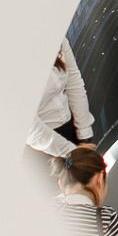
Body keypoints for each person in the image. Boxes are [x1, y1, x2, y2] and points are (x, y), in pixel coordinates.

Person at [29, 39, 94, 173]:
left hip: (71, 130)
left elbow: (74, 82)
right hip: (40, 148)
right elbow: (29, 127)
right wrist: (73, 154)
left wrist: (84, 135)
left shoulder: (56, 39)